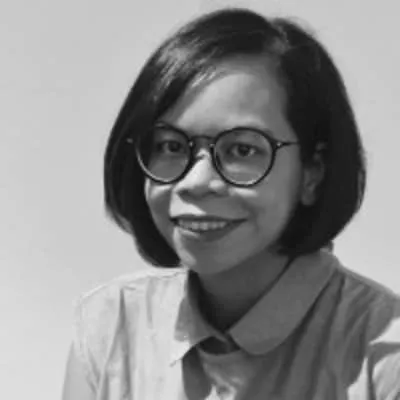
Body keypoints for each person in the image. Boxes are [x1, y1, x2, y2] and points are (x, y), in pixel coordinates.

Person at [62, 7, 400, 400]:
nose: (195, 182)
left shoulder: (384, 359)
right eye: (171, 146)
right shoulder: (111, 328)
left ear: (313, 172)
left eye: (242, 150)